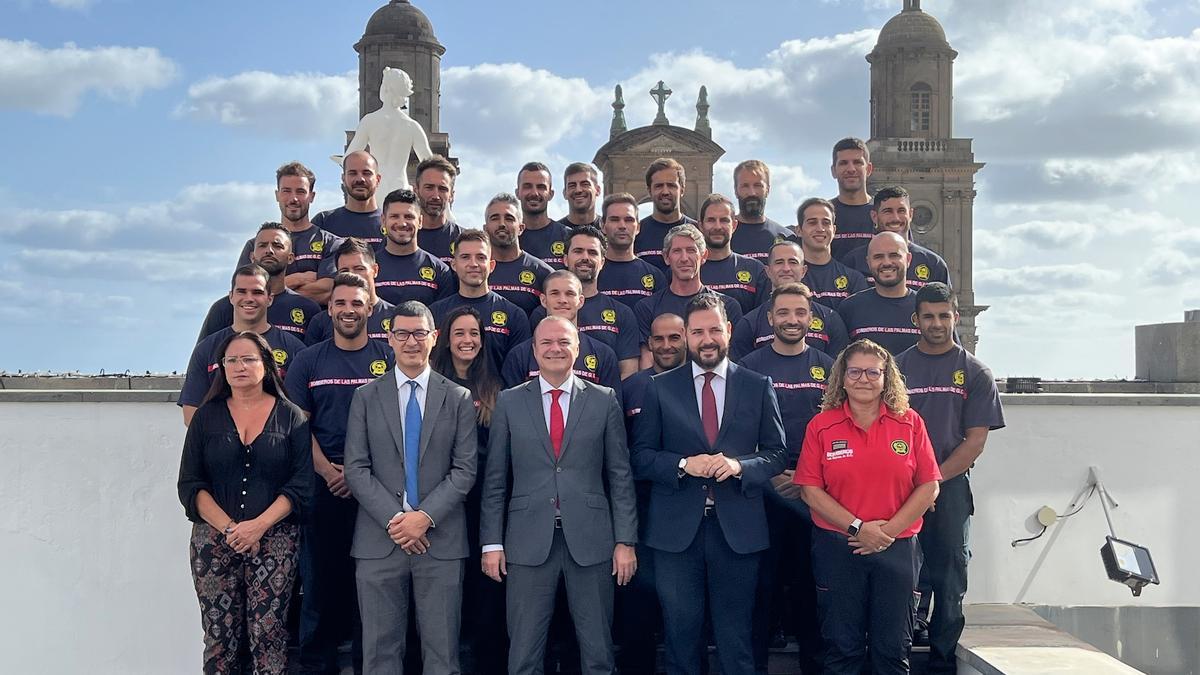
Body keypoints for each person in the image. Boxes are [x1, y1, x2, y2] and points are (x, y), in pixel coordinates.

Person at [631, 293, 787, 675]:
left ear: (729, 331)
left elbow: (777, 454)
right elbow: (641, 456)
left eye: (714, 329)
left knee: (737, 640)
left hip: (738, 532)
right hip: (675, 535)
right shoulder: (658, 387)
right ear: (685, 334)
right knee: (681, 639)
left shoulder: (756, 384)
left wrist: (738, 465)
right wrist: (684, 463)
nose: (707, 339)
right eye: (697, 331)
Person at [480, 316, 639, 675]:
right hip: (526, 541)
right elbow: (494, 481)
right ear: (534, 350)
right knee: (523, 653)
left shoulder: (604, 399)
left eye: (564, 342)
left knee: (598, 651)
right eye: (547, 343)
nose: (555, 349)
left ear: (577, 349)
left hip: (592, 540)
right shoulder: (509, 402)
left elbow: (620, 475)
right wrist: (491, 542)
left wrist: (625, 540)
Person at [343, 301, 479, 674]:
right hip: (378, 542)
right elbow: (355, 468)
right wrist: (398, 520)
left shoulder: (458, 398)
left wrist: (424, 517)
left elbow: (465, 469)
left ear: (434, 338)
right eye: (402, 333)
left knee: (443, 654)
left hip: (441, 542)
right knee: (380, 655)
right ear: (389, 339)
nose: (411, 341)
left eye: (420, 333)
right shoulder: (366, 397)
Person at [795, 338, 941, 675]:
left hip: (897, 548)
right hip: (840, 547)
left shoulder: (910, 422)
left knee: (892, 651)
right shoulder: (821, 425)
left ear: (886, 378)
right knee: (841, 650)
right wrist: (860, 529)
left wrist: (885, 533)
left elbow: (929, 486)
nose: (863, 379)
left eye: (873, 372)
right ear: (842, 378)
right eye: (855, 371)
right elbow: (810, 491)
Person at [178, 331, 312, 675]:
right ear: (221, 368)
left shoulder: (291, 416)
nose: (240, 366)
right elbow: (191, 484)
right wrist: (229, 528)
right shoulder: (206, 417)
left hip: (276, 541)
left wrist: (258, 526)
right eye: (232, 360)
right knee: (219, 637)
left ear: (266, 365)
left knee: (268, 635)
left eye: (249, 359)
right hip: (213, 541)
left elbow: (301, 485)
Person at [284, 273, 396, 674]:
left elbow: (397, 422)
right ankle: (318, 665)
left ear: (370, 309)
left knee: (373, 586)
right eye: (341, 303)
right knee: (319, 584)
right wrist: (332, 472)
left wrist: (359, 474)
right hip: (322, 483)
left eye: (356, 303)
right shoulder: (308, 360)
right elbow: (299, 426)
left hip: (379, 488)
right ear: (329, 309)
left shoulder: (389, 357)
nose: (348, 310)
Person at [896, 283, 1005, 674]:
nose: (937, 323)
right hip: (899, 486)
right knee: (902, 569)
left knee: (950, 571)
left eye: (944, 316)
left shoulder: (974, 371)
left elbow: (975, 442)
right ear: (916, 320)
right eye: (928, 316)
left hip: (949, 484)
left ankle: (942, 658)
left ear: (955, 318)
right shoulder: (897, 368)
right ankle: (901, 650)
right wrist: (915, 482)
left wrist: (934, 481)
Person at [739, 283, 834, 675]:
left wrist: (809, 477)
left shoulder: (830, 367)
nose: (792, 320)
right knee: (762, 588)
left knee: (812, 589)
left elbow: (837, 429)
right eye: (784, 313)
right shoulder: (750, 366)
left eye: (800, 313)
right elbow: (740, 430)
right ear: (770, 318)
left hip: (817, 493)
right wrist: (772, 473)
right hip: (765, 492)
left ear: (811, 319)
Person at [430, 307, 508, 675]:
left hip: (484, 503)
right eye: (459, 333)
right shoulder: (431, 382)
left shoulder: (496, 387)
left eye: (474, 333)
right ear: (446, 338)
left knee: (486, 595)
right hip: (440, 502)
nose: (467, 340)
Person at [615, 312, 686, 674]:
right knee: (638, 602)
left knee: (682, 606)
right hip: (641, 505)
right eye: (658, 339)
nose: (666, 345)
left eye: (675, 337)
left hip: (686, 505)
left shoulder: (701, 385)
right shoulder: (632, 388)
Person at [179, 264, 308, 426]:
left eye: (257, 292)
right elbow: (191, 410)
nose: (249, 298)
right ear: (231, 296)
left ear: (270, 298)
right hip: (222, 446)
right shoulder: (206, 348)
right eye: (241, 291)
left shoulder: (295, 349)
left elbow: (302, 412)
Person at [530, 225, 641, 378]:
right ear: (565, 259)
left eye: (592, 252)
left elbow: (628, 371)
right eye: (578, 251)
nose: (585, 257)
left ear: (602, 262)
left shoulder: (622, 313)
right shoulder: (541, 314)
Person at [634, 223, 744, 367]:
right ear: (666, 257)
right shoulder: (647, 307)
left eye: (691, 250)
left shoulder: (726, 306)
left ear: (703, 256)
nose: (684, 258)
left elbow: (731, 360)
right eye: (677, 251)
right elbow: (647, 362)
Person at [502, 270, 623, 397]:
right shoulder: (519, 355)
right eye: (555, 293)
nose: (562, 300)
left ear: (581, 301)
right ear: (543, 300)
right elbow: (511, 408)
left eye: (570, 294)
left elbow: (611, 410)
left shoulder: (603, 354)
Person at [429, 229, 533, 375]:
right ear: (453, 265)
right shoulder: (434, 313)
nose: (473, 264)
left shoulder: (514, 315)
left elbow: (519, 371)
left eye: (480, 257)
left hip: (497, 397)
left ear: (491, 266)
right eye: (465, 257)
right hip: (445, 397)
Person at [235, 161, 338, 305]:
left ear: (312, 196)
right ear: (277, 195)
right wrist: (298, 279)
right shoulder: (255, 245)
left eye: (300, 192)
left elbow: (326, 291)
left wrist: (269, 289)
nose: (293, 199)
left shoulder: (331, 243)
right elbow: (245, 292)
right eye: (286, 191)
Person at [200, 222, 321, 341]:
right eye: (262, 245)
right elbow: (205, 356)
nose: (269, 250)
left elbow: (314, 357)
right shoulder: (224, 308)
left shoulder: (308, 308)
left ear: (290, 258)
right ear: (252, 257)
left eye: (277, 246)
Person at [730, 240, 848, 360]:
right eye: (779, 262)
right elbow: (741, 372)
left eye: (793, 262)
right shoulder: (749, 323)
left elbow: (838, 371)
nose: (786, 268)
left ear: (804, 270)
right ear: (768, 271)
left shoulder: (830, 319)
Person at [342, 66, 433, 194]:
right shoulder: (412, 126)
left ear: (386, 88)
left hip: (376, 190)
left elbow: (348, 158)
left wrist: (340, 161)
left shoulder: (369, 121)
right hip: (401, 189)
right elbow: (432, 165)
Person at [840, 185, 950, 291]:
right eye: (888, 211)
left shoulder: (933, 264)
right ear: (874, 216)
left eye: (901, 211)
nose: (895, 218)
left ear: (910, 214)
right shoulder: (853, 261)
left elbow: (946, 305)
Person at [838, 232, 922, 355]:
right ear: (868, 262)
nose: (887, 262)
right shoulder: (850, 308)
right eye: (878, 257)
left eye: (894, 255)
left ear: (908, 259)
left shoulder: (925, 306)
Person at [304, 237, 396, 346]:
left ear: (375, 270)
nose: (352, 274)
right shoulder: (321, 322)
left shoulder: (395, 317)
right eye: (344, 271)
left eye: (359, 269)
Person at [373, 188, 456, 306]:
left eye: (408, 217)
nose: (402, 223)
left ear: (420, 221)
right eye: (394, 216)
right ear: (383, 220)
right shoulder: (369, 268)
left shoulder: (440, 271)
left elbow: (445, 318)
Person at [697, 192, 771, 313]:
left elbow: (762, 319)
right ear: (700, 225)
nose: (717, 226)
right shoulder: (689, 270)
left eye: (724, 220)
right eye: (711, 220)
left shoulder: (755, 270)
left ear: (735, 225)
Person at [483, 192, 555, 316]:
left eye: (509, 218)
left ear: (521, 228)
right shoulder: (475, 270)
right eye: (495, 218)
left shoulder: (543, 273)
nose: (502, 224)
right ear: (485, 228)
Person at [796, 197, 869, 311]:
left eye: (826, 223)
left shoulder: (854, 280)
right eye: (812, 222)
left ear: (834, 230)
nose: (820, 228)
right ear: (799, 230)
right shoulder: (788, 276)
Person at [596, 193, 666, 309]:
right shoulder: (593, 273)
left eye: (628, 220)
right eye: (615, 220)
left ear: (638, 227)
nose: (622, 226)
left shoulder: (655, 276)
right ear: (603, 226)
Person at [634, 158, 697, 273]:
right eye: (659, 186)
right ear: (649, 191)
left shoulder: (698, 231)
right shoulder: (636, 233)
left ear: (682, 190)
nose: (665, 191)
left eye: (671, 185)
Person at [729, 159, 799, 262]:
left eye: (758, 186)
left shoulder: (787, 238)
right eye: (745, 186)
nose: (752, 192)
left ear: (768, 190)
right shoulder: (724, 236)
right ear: (736, 190)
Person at [313, 150, 384, 246]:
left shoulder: (391, 224)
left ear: (378, 179)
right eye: (353, 173)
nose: (360, 179)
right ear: (343, 178)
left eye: (366, 173)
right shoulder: (323, 222)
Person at [516, 162, 571, 269]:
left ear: (551, 194)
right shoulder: (508, 238)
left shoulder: (568, 237)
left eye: (541, 187)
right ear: (517, 192)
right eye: (527, 186)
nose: (534, 193)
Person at [829, 138, 876, 261]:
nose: (851, 169)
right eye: (843, 163)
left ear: (869, 169)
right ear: (833, 171)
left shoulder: (886, 212)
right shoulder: (823, 215)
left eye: (857, 162)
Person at [414, 155, 465, 265]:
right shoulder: (399, 238)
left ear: (451, 195)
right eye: (429, 187)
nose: (436, 195)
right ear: (416, 190)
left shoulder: (464, 239)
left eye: (442, 189)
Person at [557, 162, 603, 230]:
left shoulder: (609, 231)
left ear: (598, 190)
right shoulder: (554, 233)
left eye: (585, 184)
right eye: (572, 185)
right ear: (565, 193)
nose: (578, 190)